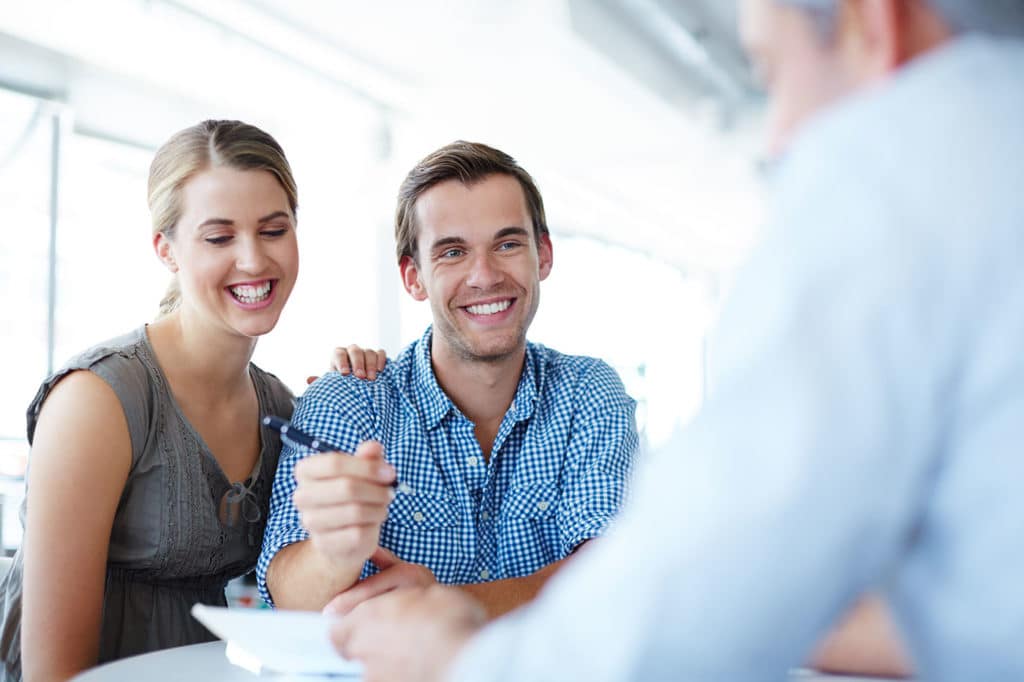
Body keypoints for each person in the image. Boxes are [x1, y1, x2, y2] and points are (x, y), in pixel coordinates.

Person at [329, 1, 1024, 680]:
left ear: (873, 23)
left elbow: (711, 579)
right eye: (451, 251)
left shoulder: (897, 164)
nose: (778, 136)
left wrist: (458, 659)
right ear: (412, 276)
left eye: (771, 71)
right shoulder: (987, 147)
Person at [258, 141, 640, 618]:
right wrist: (336, 551)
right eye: (453, 252)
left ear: (542, 255)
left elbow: (614, 574)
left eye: (507, 244)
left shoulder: (589, 394)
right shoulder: (349, 403)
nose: (484, 276)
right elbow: (292, 598)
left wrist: (438, 607)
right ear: (413, 277)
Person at [0, 120, 301, 681]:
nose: (255, 260)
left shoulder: (280, 408)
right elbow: (53, 673)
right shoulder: (99, 400)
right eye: (219, 237)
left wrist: (363, 382)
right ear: (167, 250)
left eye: (273, 230)